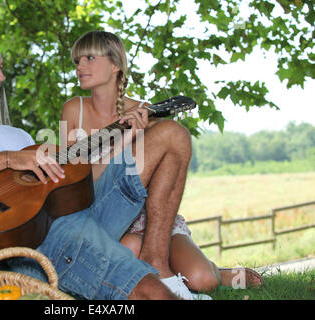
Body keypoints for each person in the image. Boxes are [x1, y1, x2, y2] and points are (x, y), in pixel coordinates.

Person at [0, 27, 178, 300]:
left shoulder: (19, 138)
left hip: (79, 216)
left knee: (171, 135)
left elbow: (72, 190)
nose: (1, 76)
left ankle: (156, 261)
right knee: (150, 293)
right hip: (37, 241)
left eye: (0, 68)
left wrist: (125, 137)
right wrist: (7, 159)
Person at [60, 30, 263, 298]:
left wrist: (138, 132)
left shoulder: (144, 113)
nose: (80, 66)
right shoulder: (74, 109)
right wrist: (125, 140)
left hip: (150, 218)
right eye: (77, 61)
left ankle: (222, 273)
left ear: (115, 66)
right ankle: (162, 266)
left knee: (203, 280)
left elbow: (160, 183)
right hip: (104, 216)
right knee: (130, 249)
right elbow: (72, 180)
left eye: (88, 58)